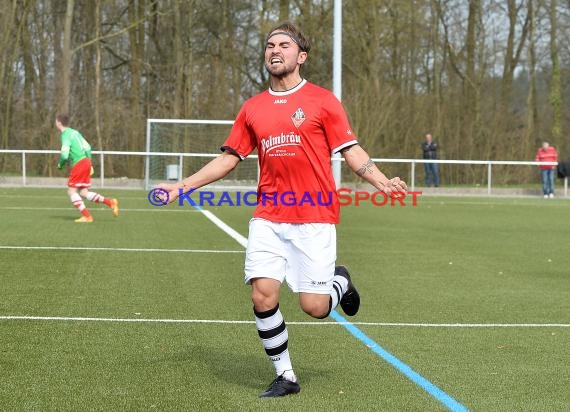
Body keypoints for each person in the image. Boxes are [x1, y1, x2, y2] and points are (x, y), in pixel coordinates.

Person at [155, 22, 407, 397]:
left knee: (315, 307)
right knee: (262, 295)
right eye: (270, 45)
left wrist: (381, 180)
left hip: (315, 216)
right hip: (269, 216)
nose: (275, 50)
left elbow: (351, 151)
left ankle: (341, 282)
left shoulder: (323, 101)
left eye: (284, 44)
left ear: (300, 56)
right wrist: (181, 186)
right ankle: (286, 376)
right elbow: (228, 160)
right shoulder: (252, 108)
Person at [55, 114, 119, 222]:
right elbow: (88, 147)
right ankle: (110, 202)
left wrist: (60, 164)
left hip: (78, 164)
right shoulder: (75, 132)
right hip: (86, 162)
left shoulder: (65, 135)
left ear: (59, 123)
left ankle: (87, 216)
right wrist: (89, 163)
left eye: (56, 121)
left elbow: (65, 154)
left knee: (71, 191)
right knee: (84, 192)